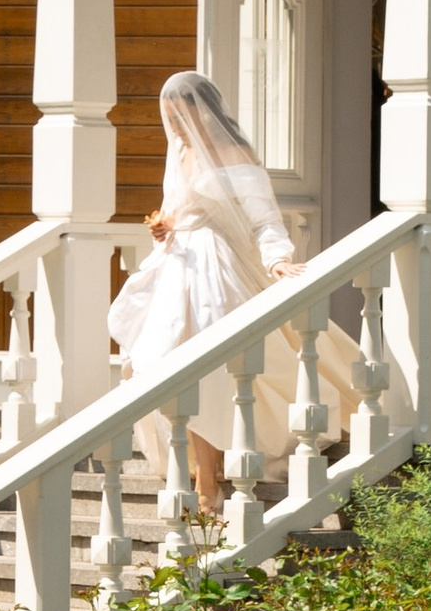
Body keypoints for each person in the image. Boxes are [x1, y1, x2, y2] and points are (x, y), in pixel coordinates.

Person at [106, 69, 355, 516]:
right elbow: (180, 209)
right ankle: (200, 469)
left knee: (215, 369)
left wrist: (277, 258)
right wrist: (164, 225)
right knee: (161, 363)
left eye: (180, 118)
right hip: (178, 267)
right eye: (170, 120)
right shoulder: (179, 153)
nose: (176, 129)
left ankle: (207, 480)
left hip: (219, 271)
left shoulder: (233, 152)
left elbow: (263, 217)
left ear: (203, 110)